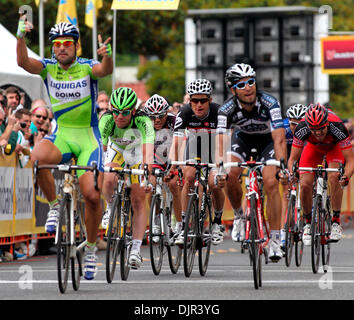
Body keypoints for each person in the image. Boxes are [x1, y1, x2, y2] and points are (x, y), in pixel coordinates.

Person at [17, 18, 113, 280]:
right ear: (52, 48)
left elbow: (104, 71)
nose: (62, 48)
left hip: (87, 138)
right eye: (57, 44)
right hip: (62, 134)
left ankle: (91, 249)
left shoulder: (86, 66)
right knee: (37, 160)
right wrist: (20, 37)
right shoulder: (48, 68)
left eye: (67, 43)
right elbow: (23, 63)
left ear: (76, 46)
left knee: (92, 196)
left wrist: (108, 57)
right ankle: (54, 205)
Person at [216, 63, 287, 261]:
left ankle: (274, 239)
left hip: (267, 142)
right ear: (233, 89)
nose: (248, 88)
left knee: (271, 182)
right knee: (230, 174)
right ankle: (239, 215)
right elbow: (221, 142)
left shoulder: (270, 102)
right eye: (241, 85)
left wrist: (282, 166)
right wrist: (219, 168)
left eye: (251, 82)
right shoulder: (225, 110)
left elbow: (279, 139)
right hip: (242, 140)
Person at [99, 87, 154, 269]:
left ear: (133, 111)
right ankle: (109, 208)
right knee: (108, 178)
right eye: (115, 111)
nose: (119, 116)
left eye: (124, 112)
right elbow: (102, 150)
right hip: (116, 148)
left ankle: (136, 249)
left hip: (137, 151)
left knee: (138, 200)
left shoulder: (143, 120)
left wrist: (147, 175)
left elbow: (148, 152)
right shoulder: (106, 120)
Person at [169, 79, 225, 245]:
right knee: (189, 176)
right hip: (193, 146)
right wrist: (173, 165)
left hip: (215, 147)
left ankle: (217, 222)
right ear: (189, 101)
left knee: (214, 182)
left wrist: (219, 166)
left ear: (210, 100)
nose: (198, 104)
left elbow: (223, 143)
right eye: (194, 100)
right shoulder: (185, 112)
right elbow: (177, 142)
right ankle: (185, 225)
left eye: (203, 100)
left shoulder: (219, 113)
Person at [288, 103, 354, 245]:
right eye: (313, 130)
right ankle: (307, 223)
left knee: (334, 177)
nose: (318, 133)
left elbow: (350, 160)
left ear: (327, 123)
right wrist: (292, 173)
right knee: (305, 184)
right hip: (313, 149)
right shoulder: (302, 128)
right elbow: (292, 159)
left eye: (321, 129)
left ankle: (335, 221)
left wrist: (346, 176)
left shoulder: (338, 127)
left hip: (334, 148)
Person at [143, 94, 183, 242]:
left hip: (175, 156)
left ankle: (180, 224)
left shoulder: (174, 121)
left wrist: (174, 167)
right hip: (156, 158)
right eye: (153, 117)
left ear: (167, 113)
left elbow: (182, 146)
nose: (157, 120)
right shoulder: (144, 124)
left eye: (160, 115)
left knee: (173, 185)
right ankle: (155, 218)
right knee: (151, 183)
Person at [280, 104, 308, 247]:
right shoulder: (283, 129)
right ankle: (283, 232)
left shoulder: (310, 129)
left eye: (300, 123)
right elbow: (279, 151)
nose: (296, 127)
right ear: (288, 121)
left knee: (308, 181)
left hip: (306, 153)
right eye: (293, 123)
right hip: (289, 153)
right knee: (287, 192)